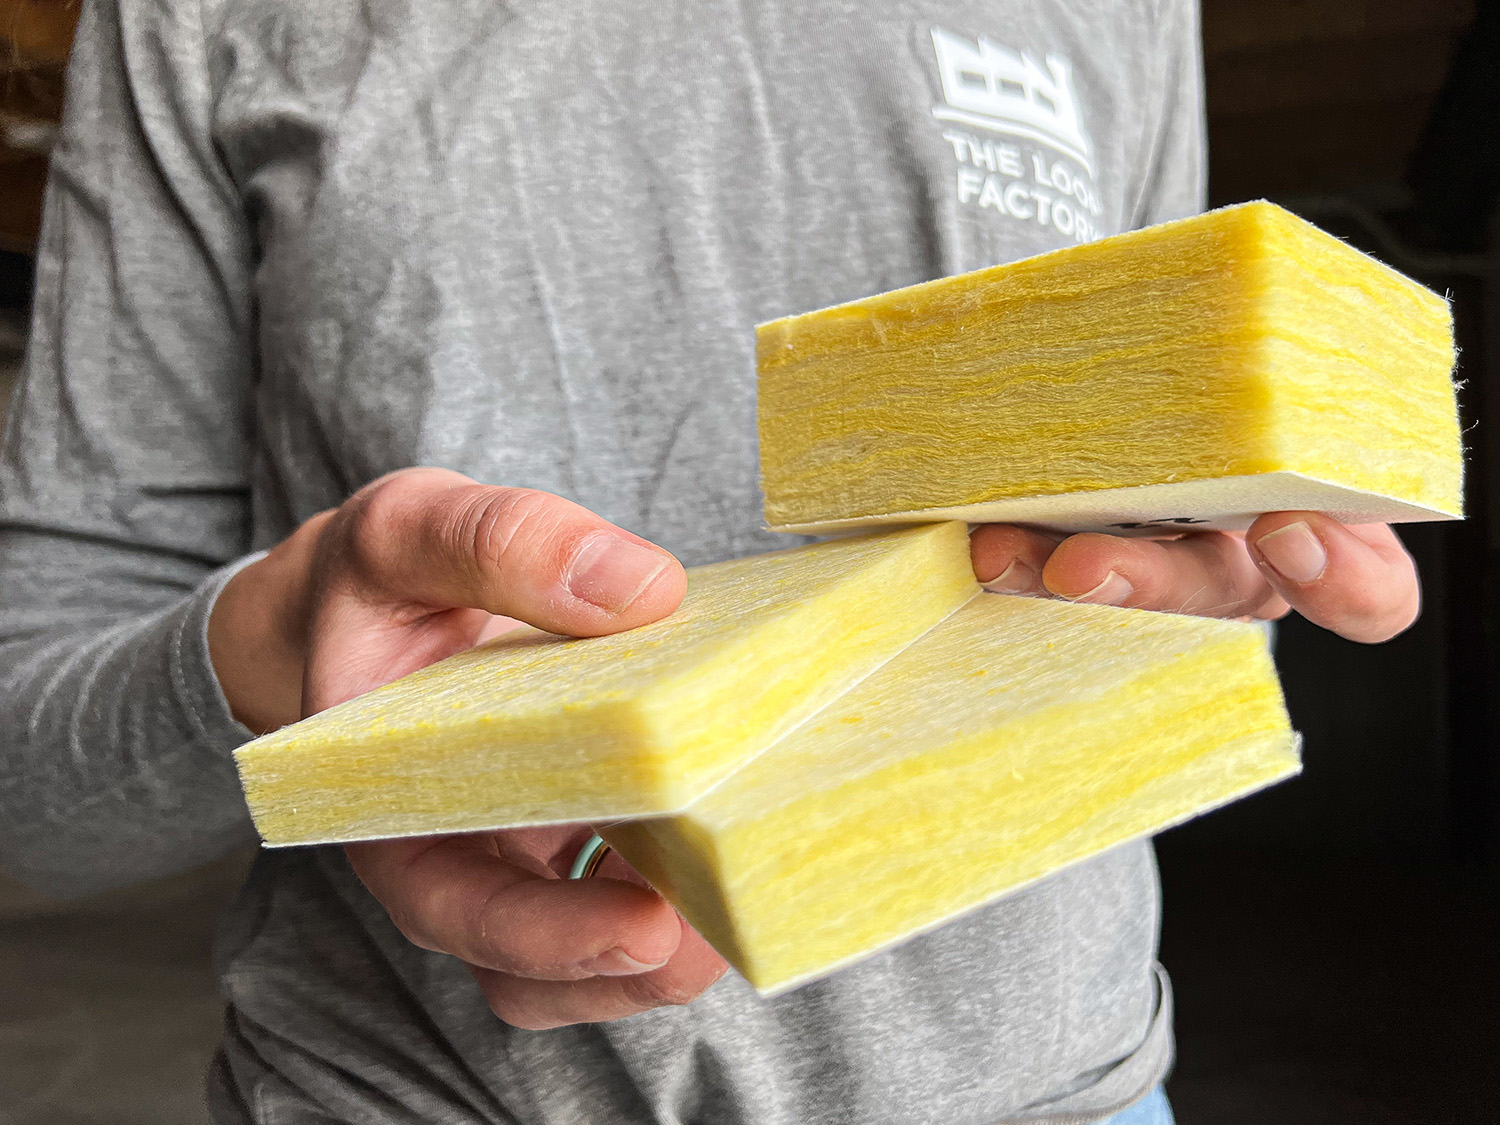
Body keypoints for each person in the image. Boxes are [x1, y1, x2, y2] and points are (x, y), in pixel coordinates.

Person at [0, 1, 1421, 1122]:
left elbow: (1183, 571)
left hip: (1073, 1094)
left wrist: (1208, 586)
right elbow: (31, 784)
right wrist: (265, 649)